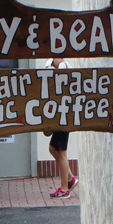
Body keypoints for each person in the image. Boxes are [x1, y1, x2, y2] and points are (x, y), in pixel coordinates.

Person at [45, 56, 78, 198]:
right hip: (64, 114)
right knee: (53, 148)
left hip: (65, 114)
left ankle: (65, 189)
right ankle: (71, 178)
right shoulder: (65, 67)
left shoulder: (64, 67)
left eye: (52, 64)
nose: (53, 68)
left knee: (62, 152)